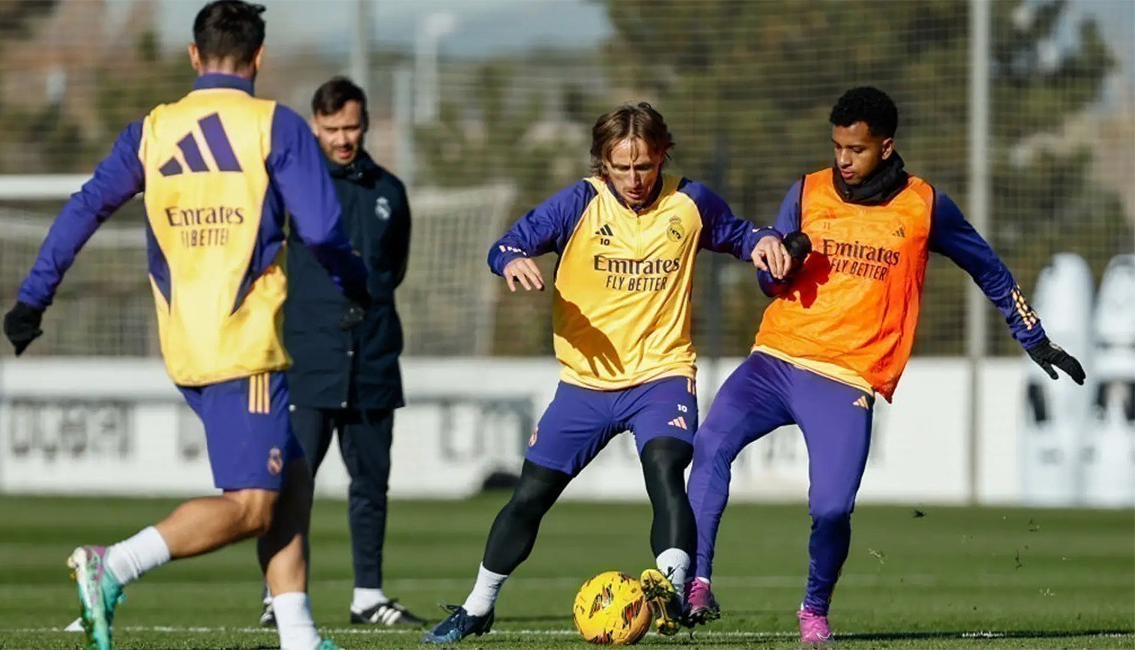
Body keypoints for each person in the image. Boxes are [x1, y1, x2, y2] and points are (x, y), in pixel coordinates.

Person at [1, 3, 370, 649]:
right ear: (258, 58)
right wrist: (354, 283)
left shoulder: (153, 129)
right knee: (254, 505)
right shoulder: (274, 126)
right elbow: (322, 230)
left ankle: (298, 634)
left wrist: (34, 299)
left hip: (183, 342)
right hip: (244, 343)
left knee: (296, 472)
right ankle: (112, 564)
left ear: (194, 57)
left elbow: (87, 207)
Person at [682, 86, 1086, 644]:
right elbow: (767, 279)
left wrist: (1033, 337)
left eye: (856, 149)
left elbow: (989, 269)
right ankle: (697, 583)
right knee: (710, 445)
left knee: (830, 509)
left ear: (887, 146)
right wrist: (783, 261)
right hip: (774, 360)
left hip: (847, 379)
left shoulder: (924, 206)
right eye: (837, 147)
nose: (842, 160)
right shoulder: (806, 190)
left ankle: (813, 612)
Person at [422, 102, 793, 644]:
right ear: (602, 162)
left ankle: (668, 594)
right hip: (584, 384)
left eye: (644, 165)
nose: (634, 178)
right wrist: (513, 261)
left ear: (662, 154)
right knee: (530, 496)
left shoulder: (689, 203)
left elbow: (737, 234)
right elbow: (506, 243)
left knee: (666, 467)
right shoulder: (579, 202)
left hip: (661, 375)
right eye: (621, 167)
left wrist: (761, 240)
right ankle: (479, 606)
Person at [257, 76, 422, 628]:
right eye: (331, 129)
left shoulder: (390, 192)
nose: (343, 138)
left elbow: (392, 269)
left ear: (366, 122)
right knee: (291, 484)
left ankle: (368, 596)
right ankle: (277, 596)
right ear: (315, 128)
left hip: (373, 361)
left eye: (351, 126)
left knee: (371, 486)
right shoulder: (293, 187)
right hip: (308, 361)